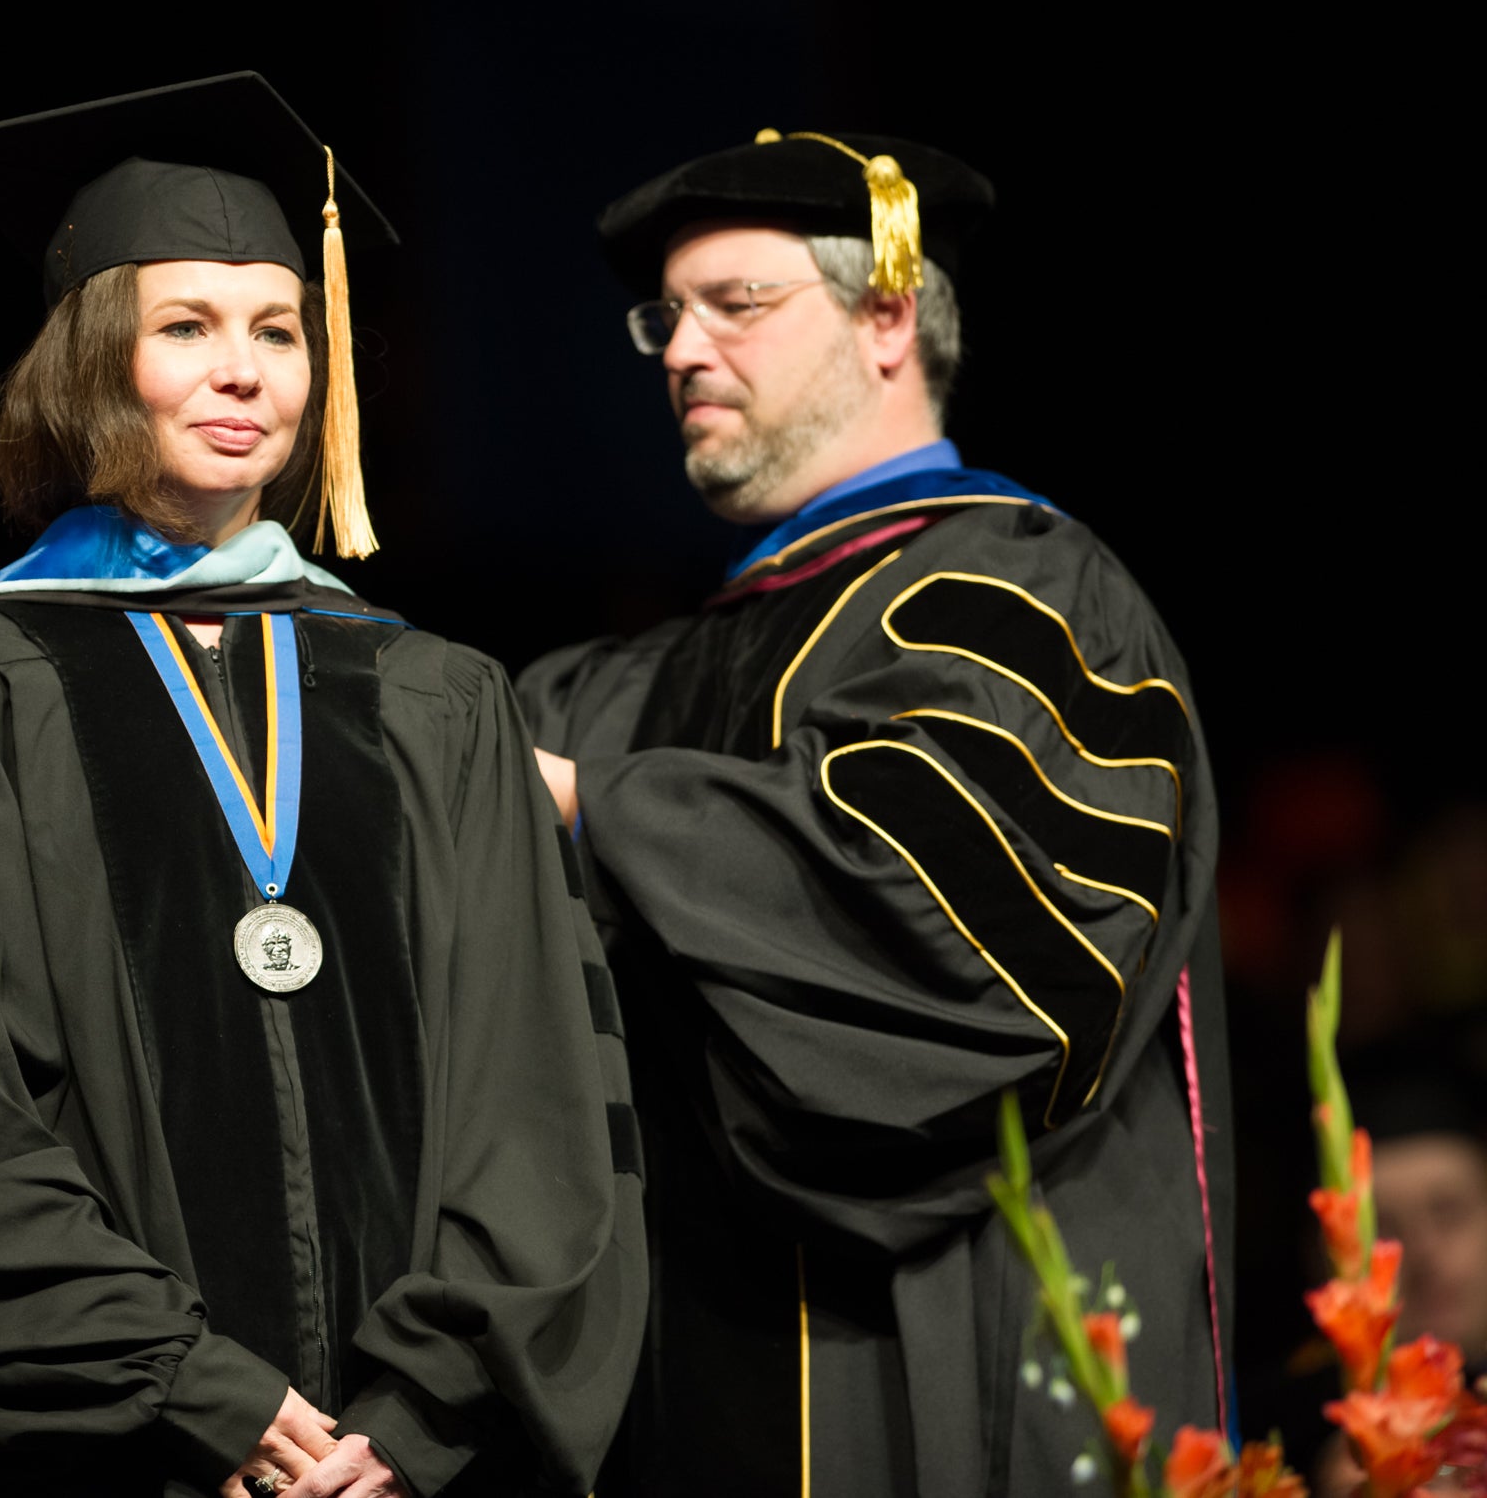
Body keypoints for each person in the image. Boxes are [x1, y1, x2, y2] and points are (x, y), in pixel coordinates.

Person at [0, 73, 645, 1498]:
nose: (245, 371)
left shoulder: (438, 696)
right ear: (93, 359)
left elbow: (539, 1097)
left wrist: (413, 1417)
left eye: (278, 330)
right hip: (116, 1448)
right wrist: (181, 1385)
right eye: (187, 328)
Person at [518, 131, 1233, 1494]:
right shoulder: (623, 683)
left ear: (888, 313)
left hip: (943, 1354)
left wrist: (602, 818)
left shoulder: (1024, 596)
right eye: (665, 317)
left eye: (735, 304)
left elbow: (937, 931)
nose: (678, 350)